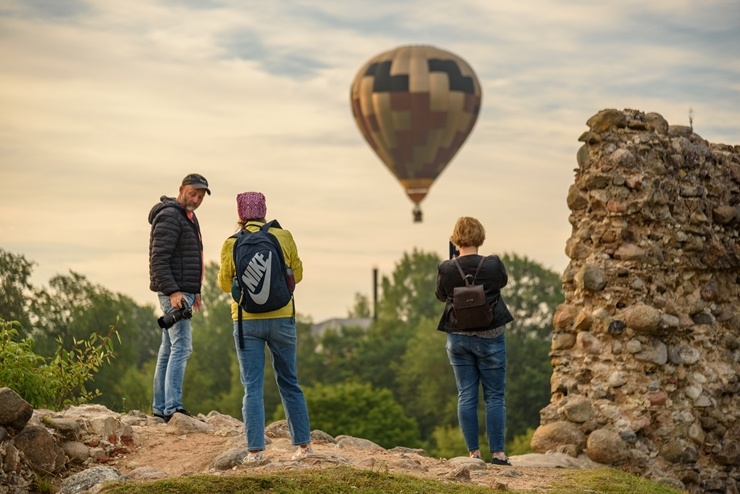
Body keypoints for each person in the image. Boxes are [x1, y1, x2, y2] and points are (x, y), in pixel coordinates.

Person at [217, 191, 312, 462]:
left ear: (240, 214)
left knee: (253, 386)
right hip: (282, 317)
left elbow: (225, 285)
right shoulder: (284, 236)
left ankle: (255, 451)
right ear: (264, 210)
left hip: (247, 322)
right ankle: (304, 447)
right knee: (289, 381)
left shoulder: (231, 243)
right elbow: (299, 275)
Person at [435, 216, 515, 465]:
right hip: (491, 336)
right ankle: (498, 454)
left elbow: (441, 296)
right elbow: (502, 283)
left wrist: (452, 264)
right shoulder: (493, 265)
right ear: (481, 236)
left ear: (455, 239)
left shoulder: (446, 268)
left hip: (458, 338)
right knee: (494, 396)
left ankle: (473, 454)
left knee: (466, 395)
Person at [148, 173, 210, 422]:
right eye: (193, 193)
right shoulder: (171, 216)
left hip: (182, 291)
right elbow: (158, 259)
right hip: (172, 292)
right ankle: (173, 407)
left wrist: (195, 291)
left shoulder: (187, 217)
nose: (196, 199)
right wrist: (174, 292)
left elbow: (190, 258)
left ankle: (161, 407)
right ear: (181, 189)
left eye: (201, 196)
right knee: (182, 346)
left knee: (168, 348)